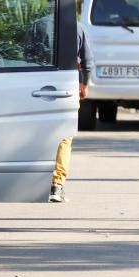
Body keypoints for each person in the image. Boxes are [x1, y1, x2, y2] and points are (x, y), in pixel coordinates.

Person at [48, 23, 95, 203]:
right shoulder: (77, 28)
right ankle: (56, 185)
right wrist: (84, 84)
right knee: (64, 137)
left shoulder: (36, 25)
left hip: (38, 84)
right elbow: (87, 61)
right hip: (67, 85)